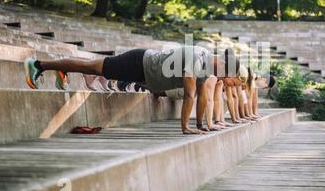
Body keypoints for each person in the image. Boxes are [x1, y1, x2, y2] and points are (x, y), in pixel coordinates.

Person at [24, 46, 240, 135]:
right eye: (228, 76)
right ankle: (40, 65)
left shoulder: (206, 69)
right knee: (89, 67)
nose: (225, 81)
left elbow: (203, 97)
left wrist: (202, 125)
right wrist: (186, 127)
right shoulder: (198, 57)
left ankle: (61, 69)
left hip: (146, 74)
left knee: (92, 68)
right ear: (223, 64)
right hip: (139, 63)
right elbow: (191, 93)